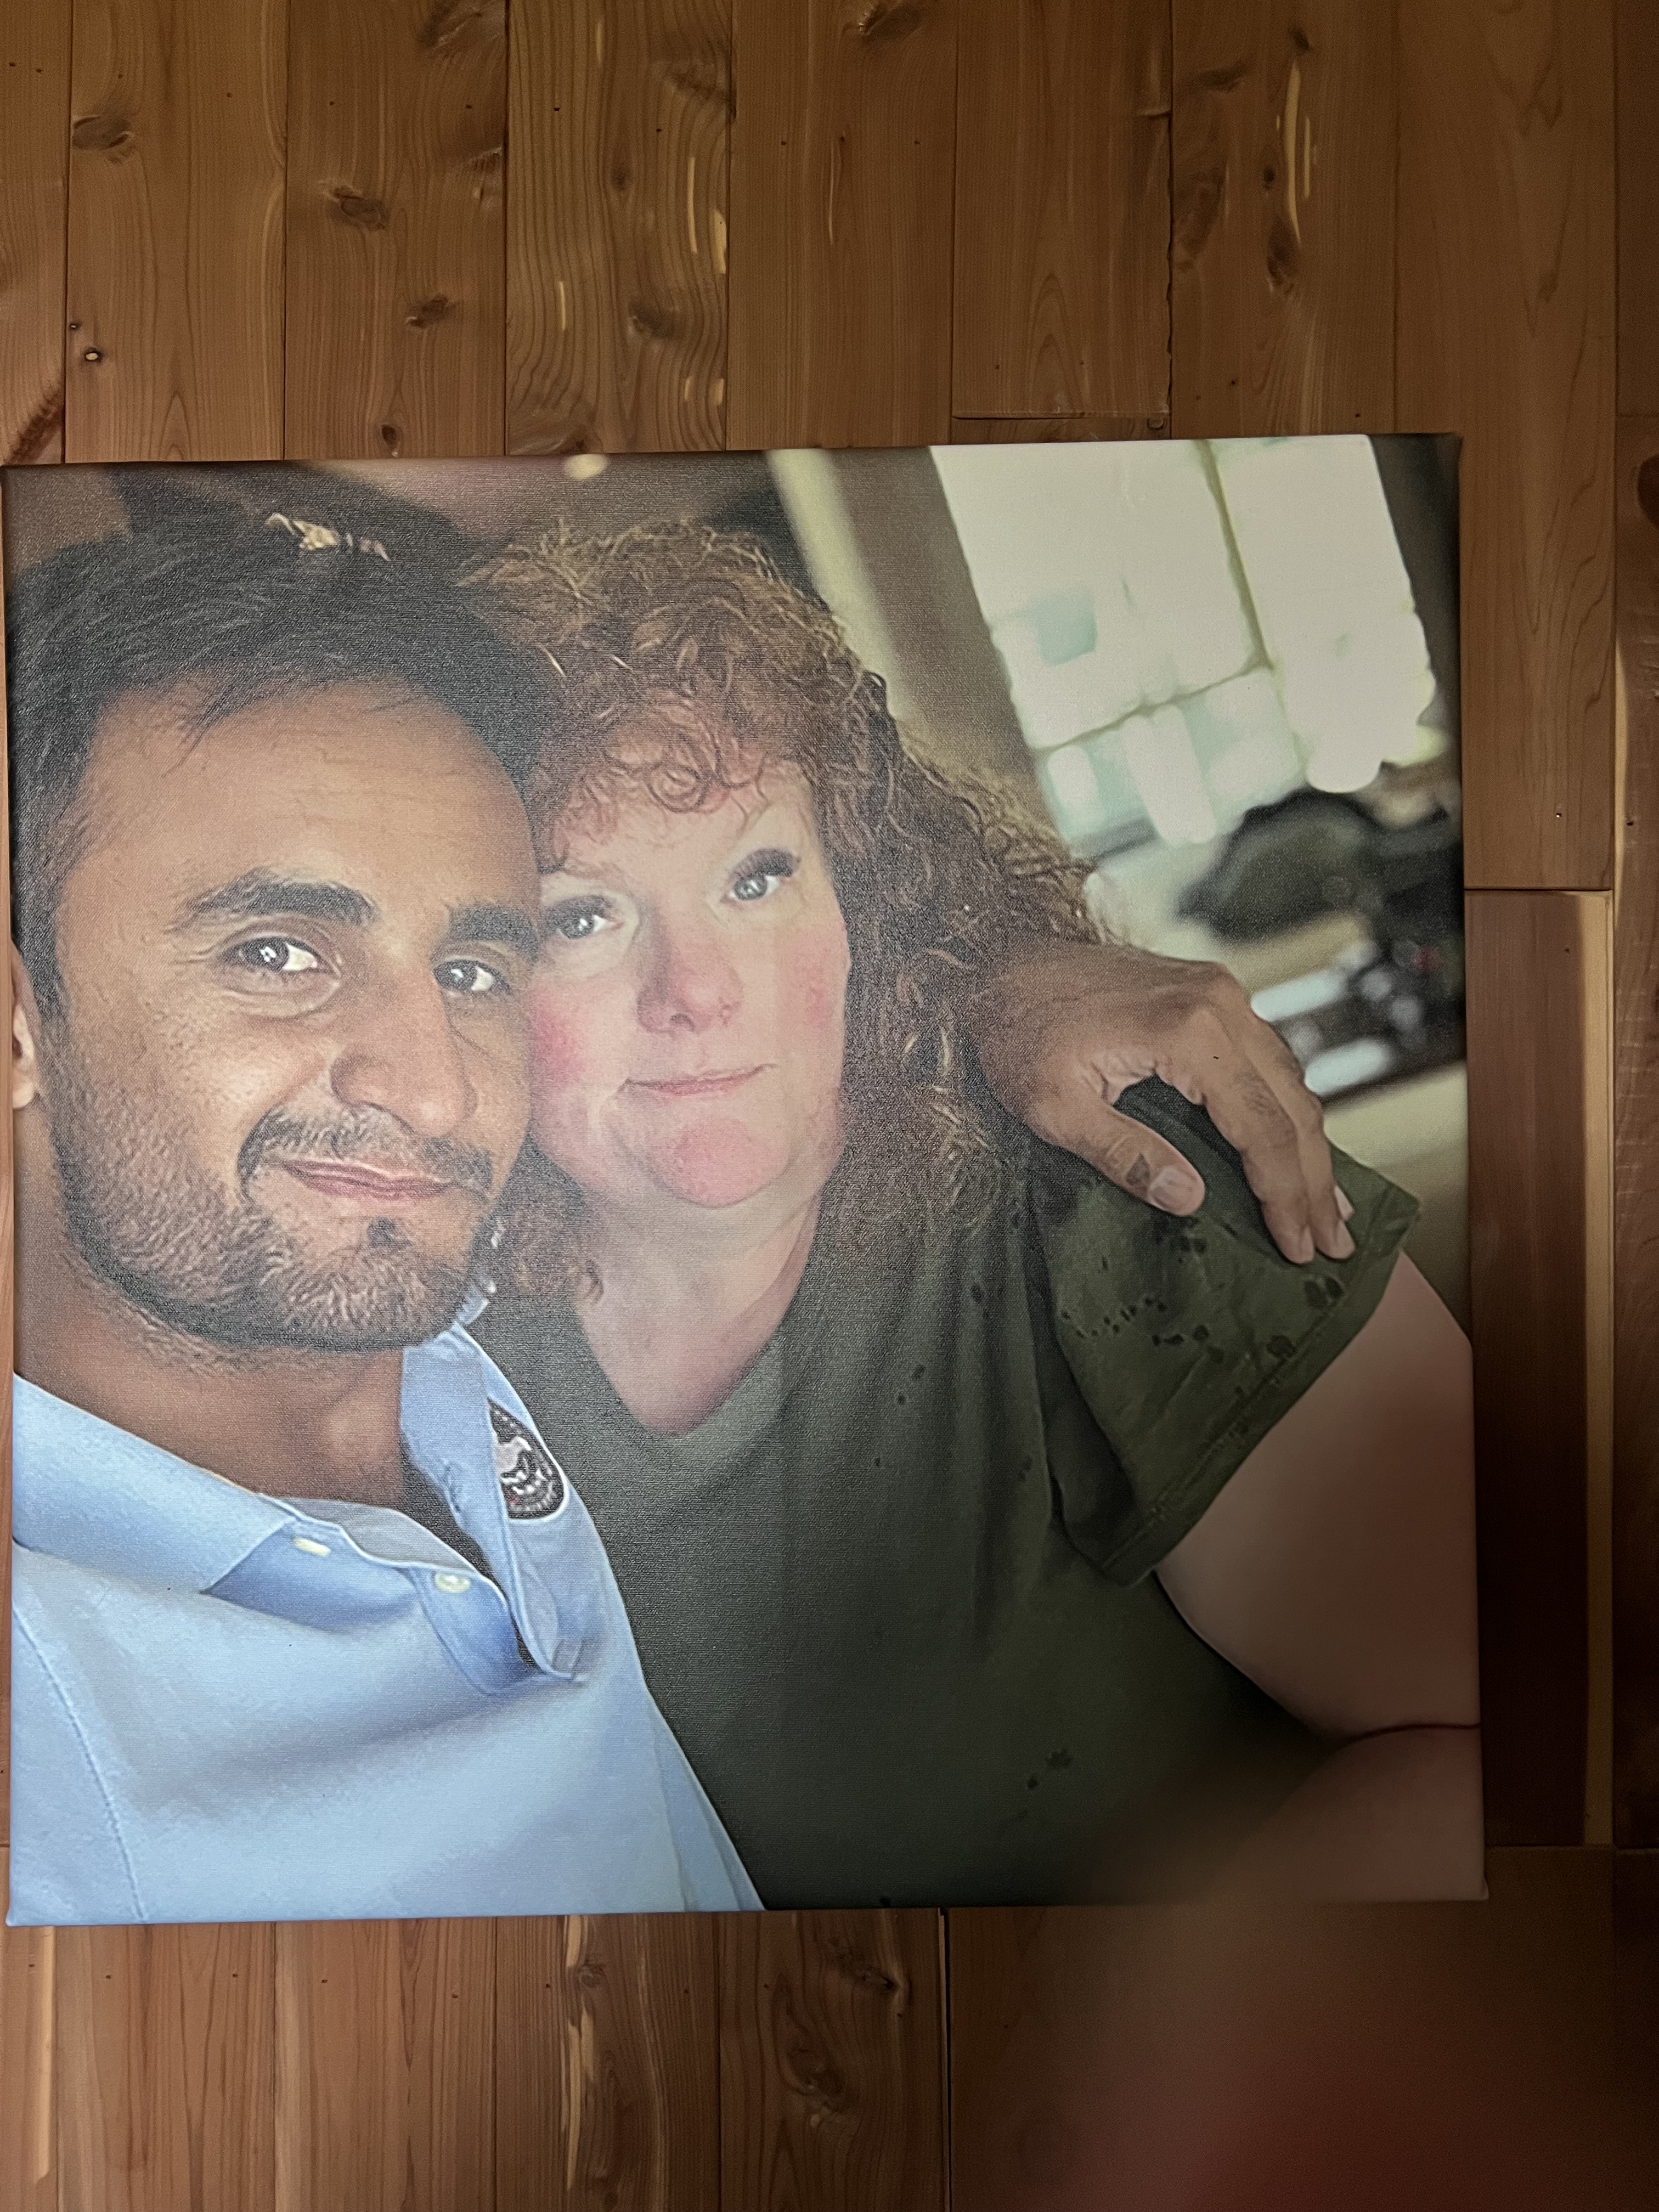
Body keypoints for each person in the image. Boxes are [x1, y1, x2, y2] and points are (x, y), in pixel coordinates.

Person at [469, 521, 1483, 1908]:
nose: (698, 990)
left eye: (757, 878)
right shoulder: (414, 1354)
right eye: (580, 919)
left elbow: (1520, 1754)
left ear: (861, 905)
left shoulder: (1120, 1191)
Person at [4, 507, 762, 1924]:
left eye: (472, 970)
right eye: (278, 954)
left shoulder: (470, 1321)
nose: (434, 1090)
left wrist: (1027, 992)